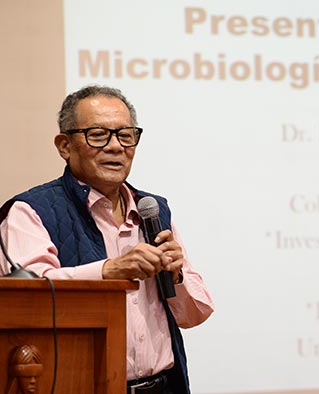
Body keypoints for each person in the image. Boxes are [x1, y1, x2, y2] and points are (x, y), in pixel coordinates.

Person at [0, 85, 214, 394]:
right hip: (81, 385)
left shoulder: (153, 210)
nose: (116, 147)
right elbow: (28, 299)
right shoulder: (31, 211)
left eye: (126, 135)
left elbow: (196, 314)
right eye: (98, 135)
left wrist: (176, 275)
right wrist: (106, 272)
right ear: (64, 145)